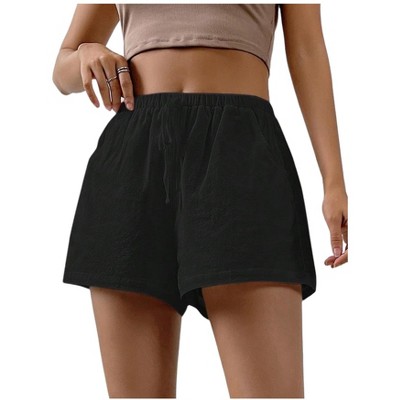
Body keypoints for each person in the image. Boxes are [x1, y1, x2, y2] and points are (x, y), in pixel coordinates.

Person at [53, 3, 348, 398]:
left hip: (241, 154)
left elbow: (308, 49)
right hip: (134, 160)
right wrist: (87, 53)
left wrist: (333, 182)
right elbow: (62, 67)